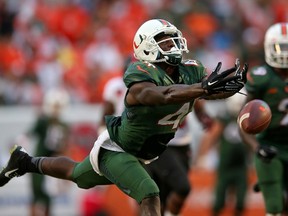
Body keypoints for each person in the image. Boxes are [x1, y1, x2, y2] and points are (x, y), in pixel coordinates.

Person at [0, 19, 247, 216]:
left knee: (77, 175)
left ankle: (24, 162)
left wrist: (230, 88)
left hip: (143, 154)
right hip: (118, 149)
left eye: (174, 40)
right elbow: (160, 94)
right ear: (147, 46)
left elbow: (210, 88)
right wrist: (202, 89)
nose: (174, 45)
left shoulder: (189, 69)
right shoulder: (140, 71)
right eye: (166, 42)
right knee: (150, 193)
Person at [240, 22, 288, 216]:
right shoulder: (261, 77)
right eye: (280, 47)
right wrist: (257, 148)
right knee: (275, 207)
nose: (284, 53)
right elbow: (243, 122)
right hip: (271, 146)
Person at [197, 93, 250, 216]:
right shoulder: (224, 118)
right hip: (225, 166)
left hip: (241, 165)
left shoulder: (247, 118)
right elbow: (211, 136)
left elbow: (251, 139)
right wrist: (203, 155)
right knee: (219, 201)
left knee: (241, 202)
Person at [24, 88, 70, 216]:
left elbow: (63, 148)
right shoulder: (43, 121)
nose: (56, 109)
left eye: (58, 106)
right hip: (37, 163)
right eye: (54, 106)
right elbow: (30, 134)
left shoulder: (64, 125)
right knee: (37, 195)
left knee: (48, 198)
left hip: (52, 165)